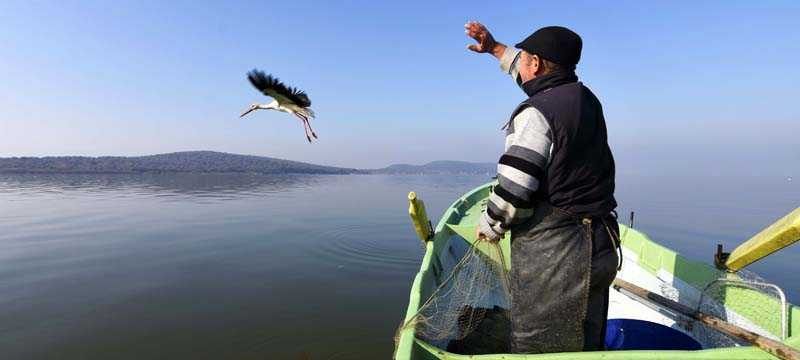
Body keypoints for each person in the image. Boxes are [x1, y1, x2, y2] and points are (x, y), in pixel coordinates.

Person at [466, 21, 620, 353]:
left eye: (523, 57)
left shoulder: (537, 113)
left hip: (560, 258)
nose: (519, 64)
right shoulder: (586, 99)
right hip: (602, 248)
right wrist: (494, 48)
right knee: (586, 341)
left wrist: (490, 225)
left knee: (540, 345)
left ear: (535, 63)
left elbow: (514, 187)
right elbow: (531, 80)